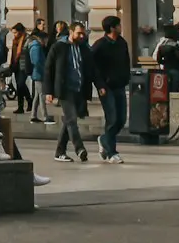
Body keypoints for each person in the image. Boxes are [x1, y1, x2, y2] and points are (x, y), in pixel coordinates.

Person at [45, 20, 92, 162]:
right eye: (79, 33)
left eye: (83, 33)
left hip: (79, 88)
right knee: (71, 119)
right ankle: (80, 148)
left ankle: (60, 152)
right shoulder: (59, 47)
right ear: (71, 32)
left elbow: (89, 67)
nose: (82, 36)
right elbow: (48, 69)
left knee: (68, 121)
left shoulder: (83, 47)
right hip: (65, 89)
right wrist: (48, 91)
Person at [90, 15, 132, 164]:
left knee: (121, 119)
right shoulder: (100, 45)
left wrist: (127, 78)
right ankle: (111, 152)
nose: (121, 28)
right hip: (106, 87)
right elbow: (92, 66)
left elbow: (126, 62)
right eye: (119, 25)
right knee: (112, 118)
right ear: (112, 28)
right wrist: (100, 84)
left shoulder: (122, 43)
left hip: (119, 85)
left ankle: (104, 139)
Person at [25, 24, 51, 124]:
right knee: (42, 95)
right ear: (42, 39)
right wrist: (44, 71)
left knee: (37, 95)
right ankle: (45, 117)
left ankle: (33, 115)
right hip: (39, 73)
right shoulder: (36, 46)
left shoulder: (35, 45)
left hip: (37, 73)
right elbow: (36, 61)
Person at [154, 22, 179, 93]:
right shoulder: (174, 45)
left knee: (167, 87)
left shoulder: (162, 45)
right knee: (175, 88)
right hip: (176, 68)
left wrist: (164, 62)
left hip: (166, 68)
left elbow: (158, 58)